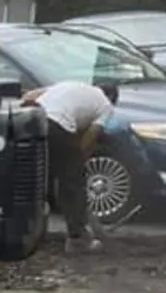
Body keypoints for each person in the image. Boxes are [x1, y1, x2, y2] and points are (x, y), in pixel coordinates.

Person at [21, 80, 117, 251]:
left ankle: (25, 232)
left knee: (38, 177)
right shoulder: (106, 104)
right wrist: (78, 159)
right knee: (73, 182)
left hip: (30, 120)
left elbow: (29, 96)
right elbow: (91, 135)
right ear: (112, 97)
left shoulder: (71, 85)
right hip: (56, 125)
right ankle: (78, 238)